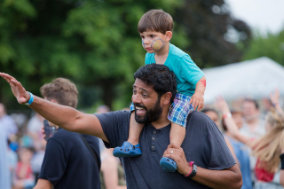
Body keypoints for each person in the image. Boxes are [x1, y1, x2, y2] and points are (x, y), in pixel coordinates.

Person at [0, 64, 242, 189]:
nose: (136, 99)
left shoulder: (199, 123)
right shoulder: (125, 122)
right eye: (134, 91)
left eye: (144, 94)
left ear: (167, 97)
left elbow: (234, 180)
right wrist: (30, 99)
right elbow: (74, 119)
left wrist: (189, 170)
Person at [113, 9, 207, 172]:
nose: (145, 42)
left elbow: (200, 78)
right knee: (137, 106)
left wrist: (198, 94)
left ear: (167, 36)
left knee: (178, 112)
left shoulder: (179, 57)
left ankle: (172, 152)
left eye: (151, 36)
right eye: (143, 37)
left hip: (183, 94)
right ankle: (133, 142)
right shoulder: (150, 56)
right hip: (162, 94)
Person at [31, 78, 101, 189]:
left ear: (52, 103)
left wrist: (53, 143)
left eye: (44, 104)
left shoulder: (58, 140)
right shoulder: (90, 134)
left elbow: (43, 186)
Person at [218, 96, 284, 189]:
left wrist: (225, 110)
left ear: (269, 126)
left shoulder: (264, 145)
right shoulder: (277, 144)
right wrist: (276, 105)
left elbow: (235, 132)